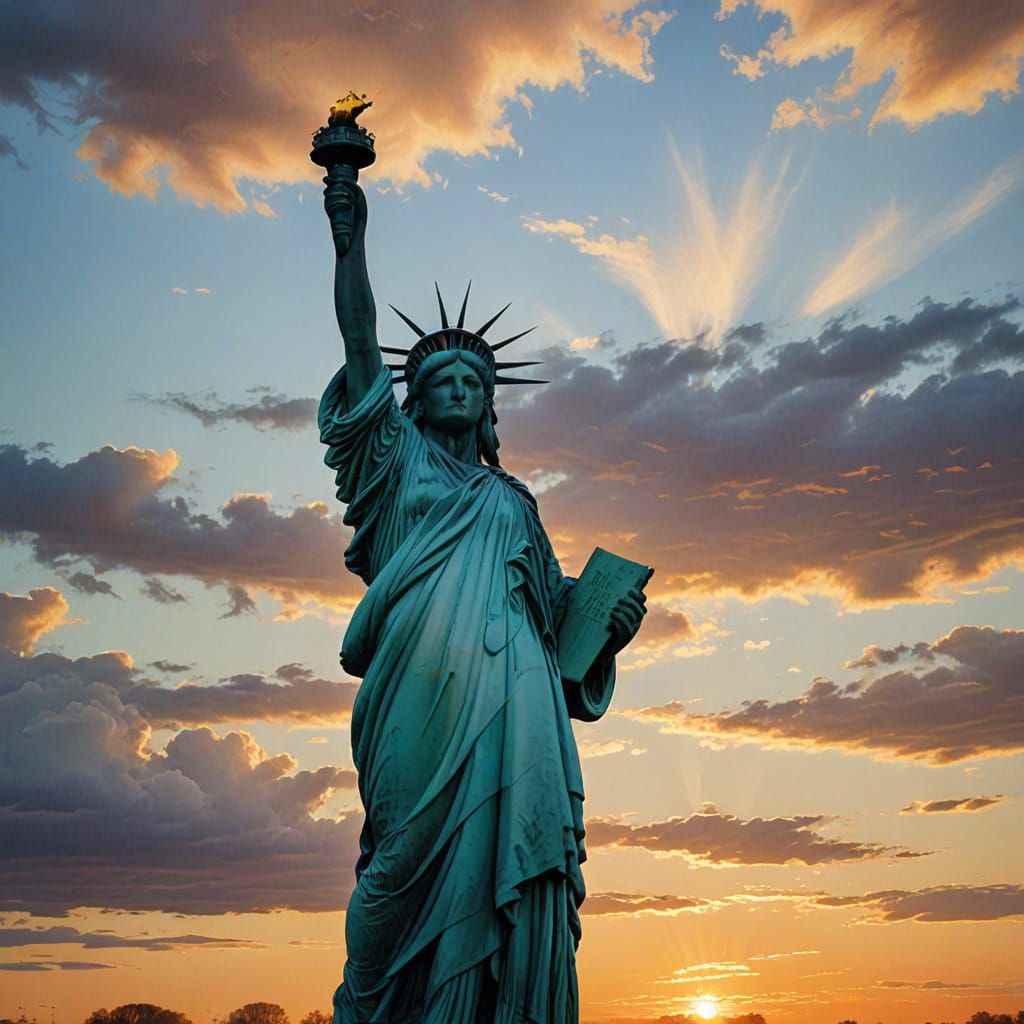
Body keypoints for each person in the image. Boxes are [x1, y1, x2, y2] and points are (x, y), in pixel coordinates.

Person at [319, 170, 647, 1023]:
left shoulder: (514, 504)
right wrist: (348, 234)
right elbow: (361, 348)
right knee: (397, 867)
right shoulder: (393, 469)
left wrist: (610, 625)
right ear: (415, 401)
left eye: (472, 380)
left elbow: (558, 618)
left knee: (515, 872)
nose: (458, 389)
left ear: (489, 401)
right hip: (418, 700)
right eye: (441, 382)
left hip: (518, 705)